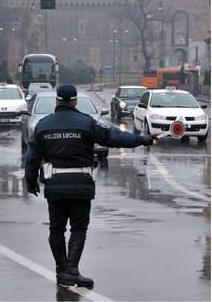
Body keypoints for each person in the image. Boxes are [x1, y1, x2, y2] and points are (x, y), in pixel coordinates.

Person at [25, 84, 153, 288]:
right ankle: (72, 270)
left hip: (55, 186)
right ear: (75, 101)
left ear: (57, 101)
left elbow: (31, 157)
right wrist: (141, 140)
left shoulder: (43, 125)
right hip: (81, 186)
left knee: (56, 229)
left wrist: (30, 182)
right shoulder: (87, 123)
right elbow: (113, 137)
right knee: (78, 228)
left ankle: (61, 270)